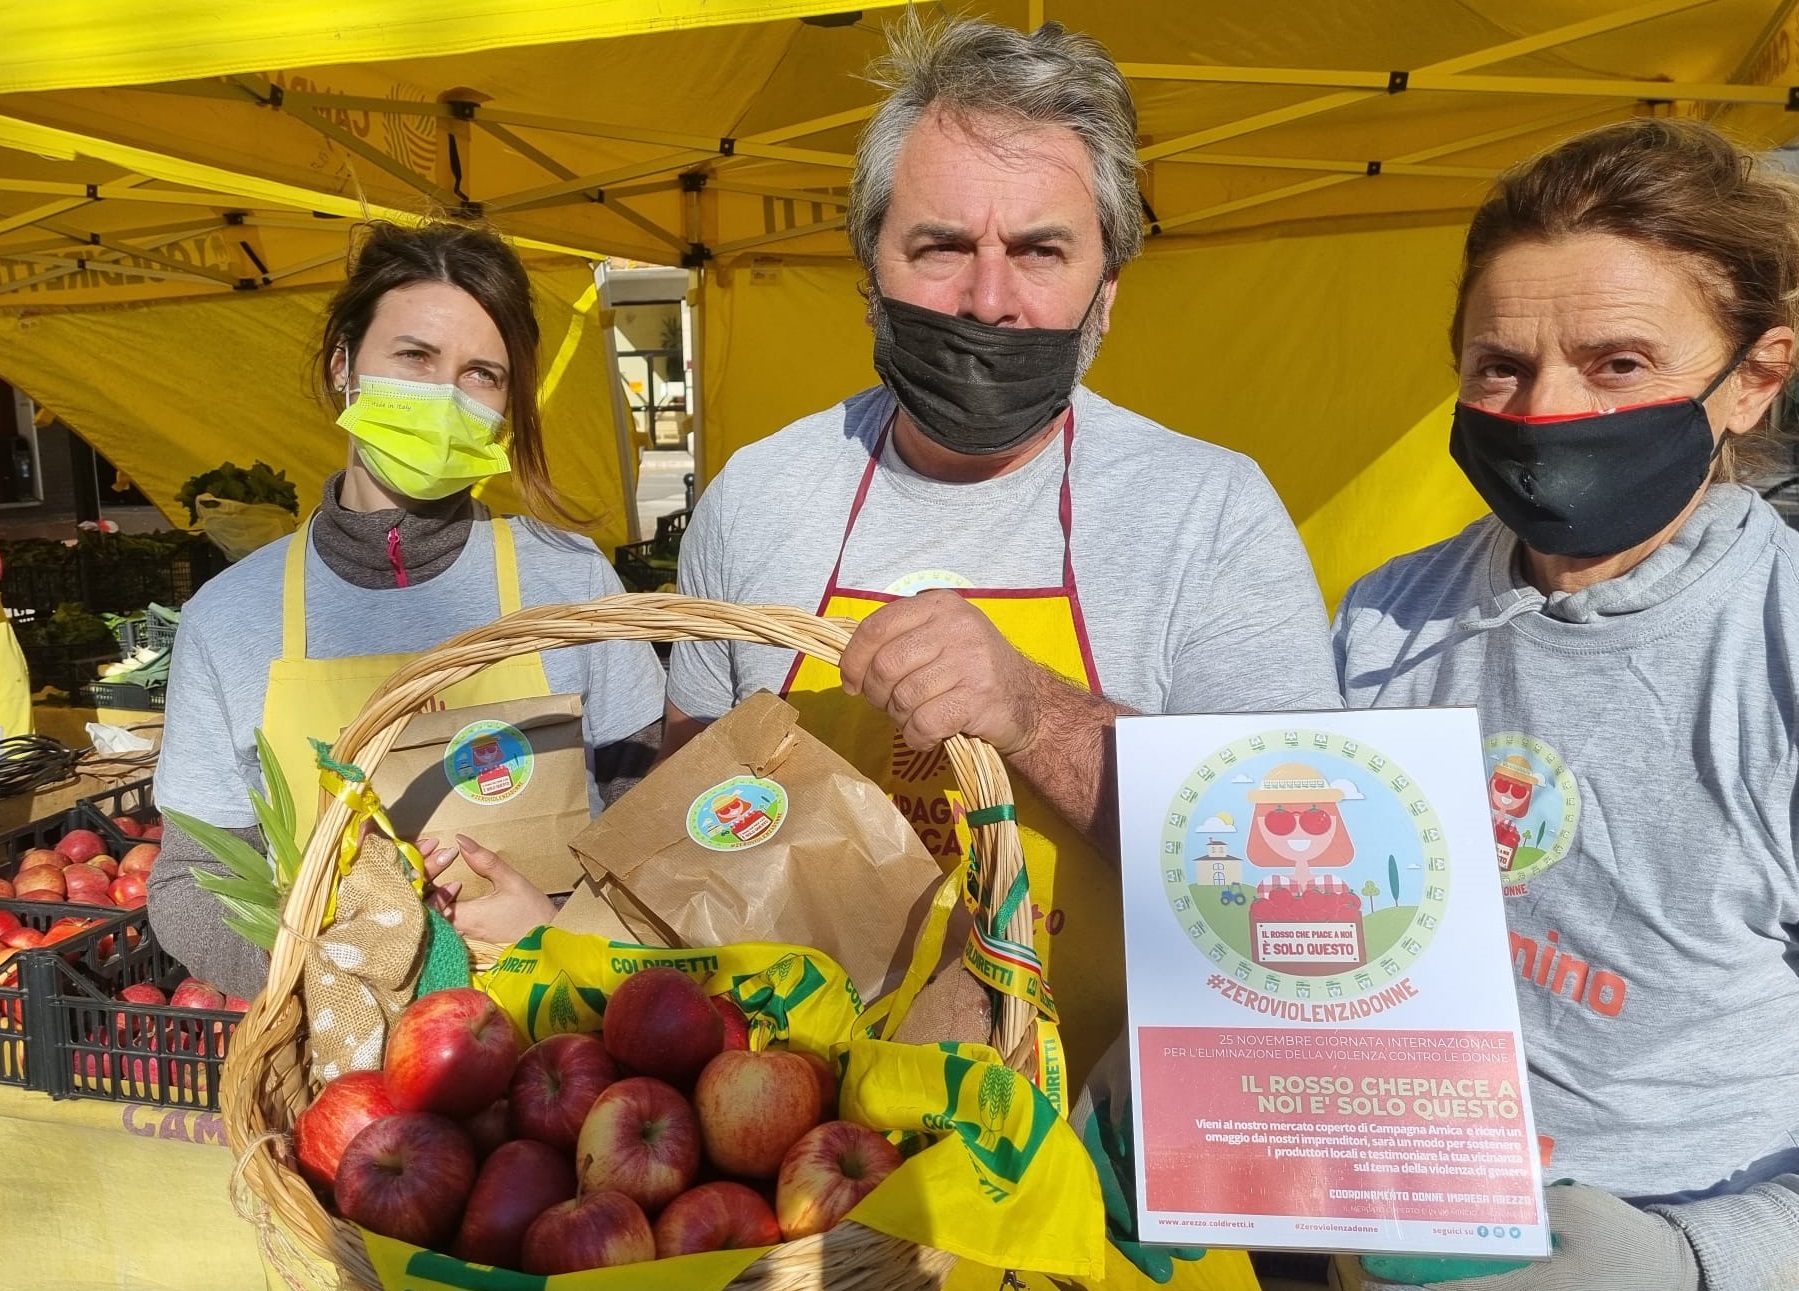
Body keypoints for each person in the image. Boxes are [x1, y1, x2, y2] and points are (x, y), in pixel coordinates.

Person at [666, 13, 1340, 1096]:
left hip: (1111, 1170)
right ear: (866, 270)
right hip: (789, 1133)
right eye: (940, 246)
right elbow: (683, 802)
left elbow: (1294, 880)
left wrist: (1031, 708)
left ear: (1104, 296)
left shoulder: (1208, 511)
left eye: (1038, 251)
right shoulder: (759, 494)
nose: (988, 298)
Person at [1335, 119, 1799, 1291]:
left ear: (1752, 380)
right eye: (1499, 365)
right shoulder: (1387, 618)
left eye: (1618, 363)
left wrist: (1692, 1259)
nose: (1543, 410)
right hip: (1392, 1239)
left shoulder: (1780, 642)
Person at [149, 221, 665, 1000]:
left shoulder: (571, 581)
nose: (443, 396)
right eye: (415, 357)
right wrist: (329, 977)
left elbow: (652, 818)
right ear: (344, 366)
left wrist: (564, 928)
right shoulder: (230, 619)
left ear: (507, 404)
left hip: (557, 1024)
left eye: (481, 374)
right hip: (340, 1048)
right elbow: (193, 881)